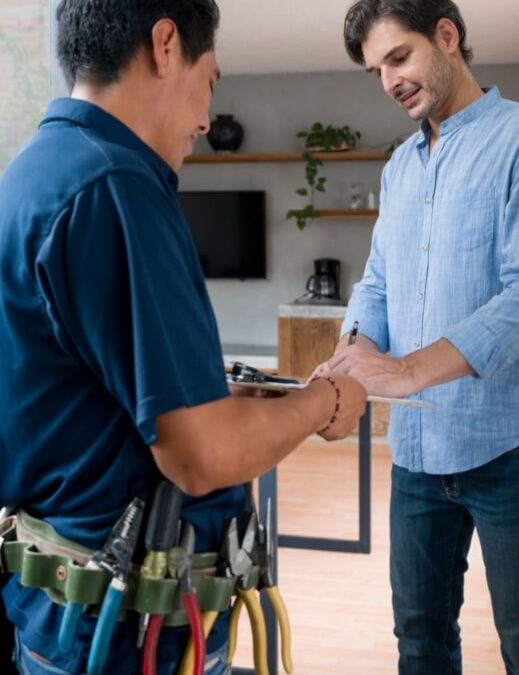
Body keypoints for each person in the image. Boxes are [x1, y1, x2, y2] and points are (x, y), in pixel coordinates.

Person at [0, 1, 367, 673]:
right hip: (123, 637)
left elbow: (74, 399)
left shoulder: (33, 174)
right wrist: (324, 402)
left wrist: (210, 396)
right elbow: (201, 455)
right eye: (210, 83)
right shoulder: (116, 188)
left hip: (58, 618)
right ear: (165, 44)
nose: (205, 119)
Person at [317, 1, 519, 673]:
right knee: (420, 637)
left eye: (398, 58)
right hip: (417, 449)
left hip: (518, 446)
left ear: (447, 36)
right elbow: (377, 282)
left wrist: (402, 371)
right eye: (376, 70)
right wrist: (348, 360)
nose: (389, 81)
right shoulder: (399, 166)